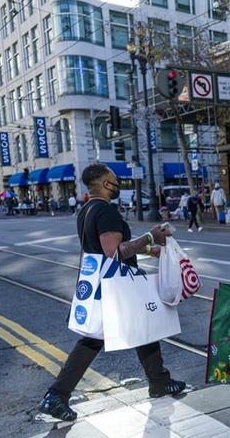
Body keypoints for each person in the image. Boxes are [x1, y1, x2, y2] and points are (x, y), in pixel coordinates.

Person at [38, 163, 186, 422]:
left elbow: (105, 248)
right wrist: (150, 238)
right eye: (115, 179)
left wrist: (148, 251)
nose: (118, 183)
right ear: (106, 184)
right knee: (93, 339)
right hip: (114, 284)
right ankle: (56, 395)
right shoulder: (106, 211)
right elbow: (114, 252)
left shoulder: (86, 210)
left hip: (100, 279)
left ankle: (159, 381)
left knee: (143, 325)